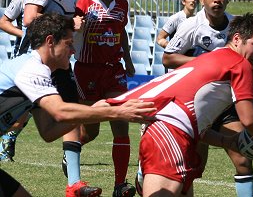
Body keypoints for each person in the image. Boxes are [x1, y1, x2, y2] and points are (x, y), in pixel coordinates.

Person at [106, 13, 253, 197]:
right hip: (171, 136)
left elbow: (193, 119)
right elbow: (250, 119)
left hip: (165, 133)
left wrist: (226, 141)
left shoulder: (213, 57)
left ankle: (145, 173)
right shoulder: (240, 65)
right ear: (237, 39)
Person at [0, 13, 156, 196]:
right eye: (68, 43)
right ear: (50, 42)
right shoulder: (33, 68)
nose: (73, 50)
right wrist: (117, 112)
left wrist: (96, 111)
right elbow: (60, 112)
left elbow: (49, 132)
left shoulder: (39, 72)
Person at [162, 0, 253, 196]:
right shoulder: (191, 26)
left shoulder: (237, 24)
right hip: (198, 103)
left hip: (225, 102)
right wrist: (208, 62)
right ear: (202, 0)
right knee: (194, 167)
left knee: (243, 157)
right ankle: (146, 174)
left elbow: (250, 53)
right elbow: (168, 58)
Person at [10, 0, 98, 196]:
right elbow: (29, 18)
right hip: (37, 59)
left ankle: (74, 183)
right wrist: (68, 23)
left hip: (57, 61)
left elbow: (50, 133)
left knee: (71, 111)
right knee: (18, 116)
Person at [72, 0, 137, 196]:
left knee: (121, 121)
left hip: (114, 70)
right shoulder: (84, 2)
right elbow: (73, 26)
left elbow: (122, 31)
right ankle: (71, 151)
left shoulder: (122, 4)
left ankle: (120, 185)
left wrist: (127, 58)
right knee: (90, 132)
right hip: (87, 71)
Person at [0, 0, 26, 162]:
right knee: (22, 108)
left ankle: (8, 141)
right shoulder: (21, 0)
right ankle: (6, 144)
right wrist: (26, 35)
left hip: (51, 61)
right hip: (24, 59)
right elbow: (4, 22)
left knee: (31, 109)